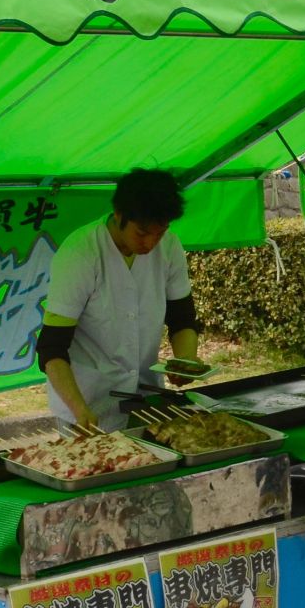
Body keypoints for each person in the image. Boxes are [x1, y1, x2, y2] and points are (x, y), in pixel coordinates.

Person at [35, 169, 200, 429]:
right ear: (119, 214)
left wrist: (186, 361)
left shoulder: (169, 246)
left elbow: (182, 318)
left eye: (160, 232)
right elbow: (51, 349)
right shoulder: (80, 253)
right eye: (142, 232)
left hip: (146, 398)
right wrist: (80, 410)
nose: (151, 243)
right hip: (87, 401)